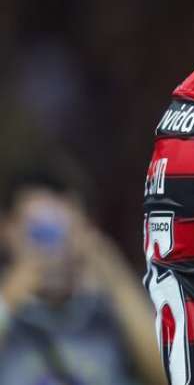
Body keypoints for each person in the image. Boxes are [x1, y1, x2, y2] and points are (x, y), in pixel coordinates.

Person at [0, 158, 165, 385]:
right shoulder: (6, 306)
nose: (51, 250)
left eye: (61, 229)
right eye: (38, 232)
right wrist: (8, 300)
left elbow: (170, 376)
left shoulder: (113, 309)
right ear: (6, 229)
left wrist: (114, 275)